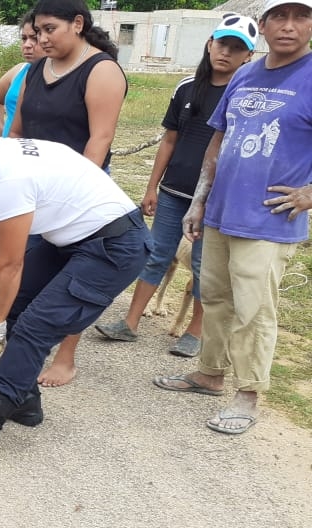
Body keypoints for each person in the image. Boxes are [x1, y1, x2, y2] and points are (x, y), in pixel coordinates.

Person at [0, 103, 149, 463]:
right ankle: (24, 398)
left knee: (34, 324)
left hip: (114, 244)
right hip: (72, 237)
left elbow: (10, 263)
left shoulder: (10, 175)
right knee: (11, 300)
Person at [153, 0, 312, 436]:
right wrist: (199, 201)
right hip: (221, 211)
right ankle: (209, 373)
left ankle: (248, 394)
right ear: (262, 26)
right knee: (217, 297)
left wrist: (309, 193)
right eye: (279, 16)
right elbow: (217, 141)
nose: (289, 26)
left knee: (254, 309)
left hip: (269, 220)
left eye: (301, 17)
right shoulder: (246, 73)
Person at [95, 15, 257, 357]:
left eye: (237, 48)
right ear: (210, 43)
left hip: (215, 199)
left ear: (248, 57)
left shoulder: (246, 95)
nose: (226, 52)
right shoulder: (186, 87)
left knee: (204, 266)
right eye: (222, 43)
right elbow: (169, 140)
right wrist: (152, 186)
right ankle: (130, 322)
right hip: (173, 191)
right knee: (155, 254)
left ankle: (195, 333)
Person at [8, 0, 128, 388]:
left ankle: (66, 356)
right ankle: (26, 346)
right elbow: (17, 131)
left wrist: (67, 201)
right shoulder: (35, 69)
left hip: (80, 194)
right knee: (27, 270)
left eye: (49, 30)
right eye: (36, 31)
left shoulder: (102, 71)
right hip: (32, 190)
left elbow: (100, 142)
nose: (41, 38)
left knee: (72, 276)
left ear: (78, 24)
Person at [0, 10, 38, 137]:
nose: (27, 45)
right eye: (24, 38)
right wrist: (0, 128)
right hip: (9, 150)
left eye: (34, 38)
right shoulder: (19, 71)